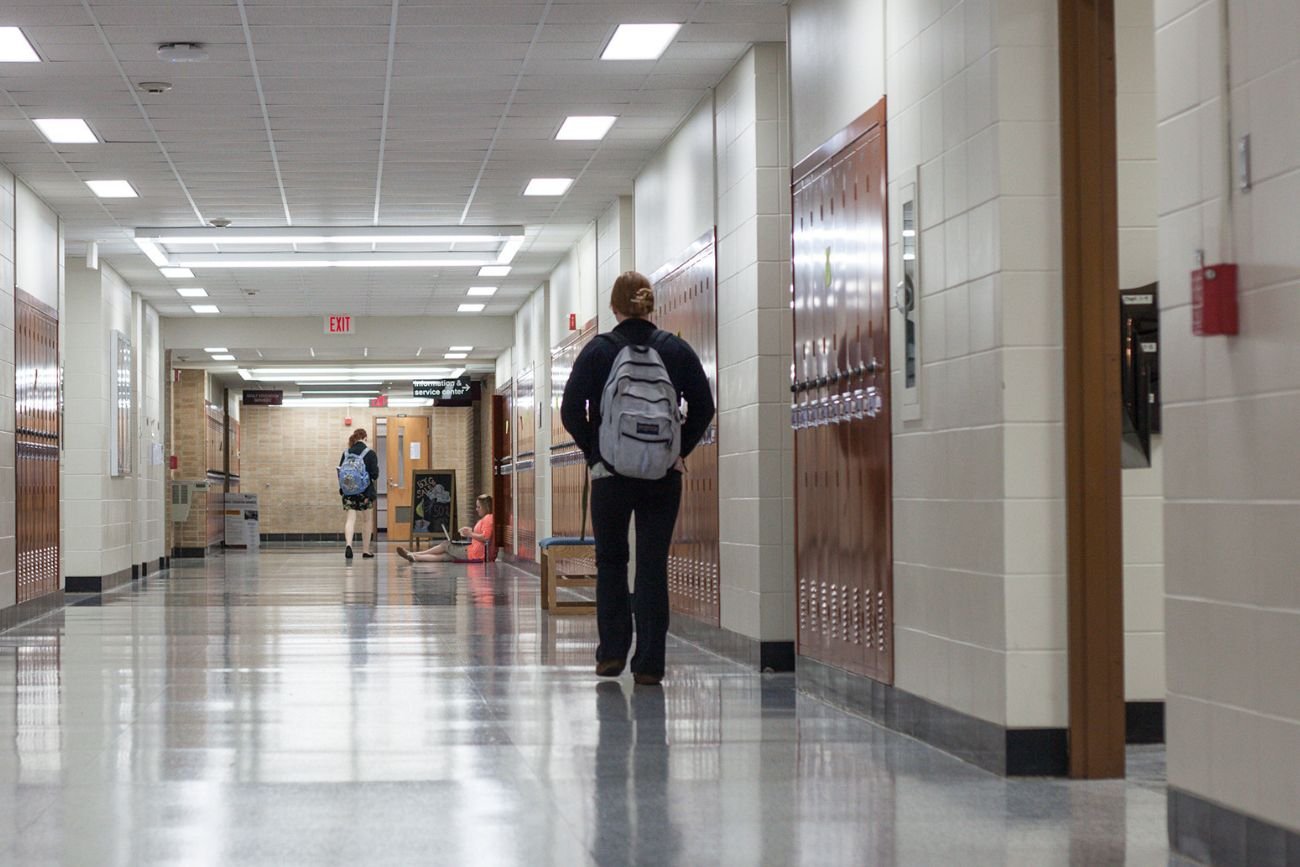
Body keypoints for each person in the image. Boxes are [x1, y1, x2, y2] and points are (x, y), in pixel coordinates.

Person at [560, 270, 715, 686]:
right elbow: (704, 407)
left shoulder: (599, 351)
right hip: (662, 478)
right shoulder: (676, 350)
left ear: (614, 308)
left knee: (611, 562)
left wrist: (597, 452)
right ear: (652, 306)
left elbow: (571, 410)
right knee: (651, 566)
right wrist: (677, 452)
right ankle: (649, 663)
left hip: (610, 477)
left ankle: (611, 653)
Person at [395, 494, 495, 563]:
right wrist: (470, 531)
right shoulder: (486, 519)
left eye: (479, 507)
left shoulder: (489, 518)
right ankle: (415, 557)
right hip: (475, 552)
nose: (476, 509)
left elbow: (486, 537)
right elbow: (481, 534)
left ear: (486, 507)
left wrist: (470, 534)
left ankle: (414, 553)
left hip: (475, 553)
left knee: (445, 545)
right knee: (445, 556)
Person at [338, 428, 379, 560]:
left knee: (350, 519)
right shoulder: (370, 453)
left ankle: (348, 545)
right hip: (364, 492)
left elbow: (340, 473)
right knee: (366, 520)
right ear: (365, 438)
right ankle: (366, 550)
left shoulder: (346, 453)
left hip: (348, 491)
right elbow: (375, 474)